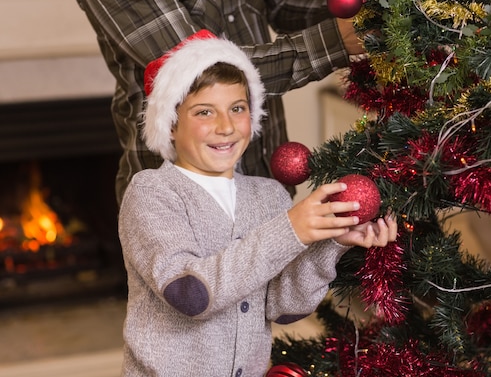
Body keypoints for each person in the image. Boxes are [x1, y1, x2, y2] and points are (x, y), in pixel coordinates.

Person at [117, 30, 398, 377]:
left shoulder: (268, 195)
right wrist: (291, 229)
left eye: (237, 108)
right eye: (205, 112)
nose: (226, 126)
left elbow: (283, 308)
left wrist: (332, 242)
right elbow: (190, 294)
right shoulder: (152, 192)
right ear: (171, 124)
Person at [70, 0, 413, 205]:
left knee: (277, 305)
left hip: (266, 178)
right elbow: (202, 71)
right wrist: (335, 41)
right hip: (183, 197)